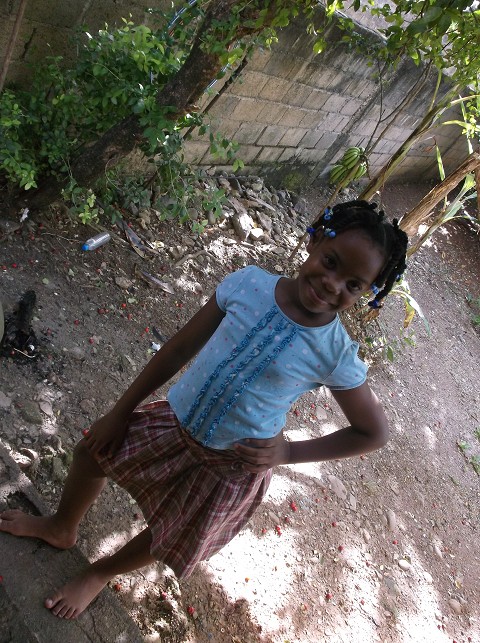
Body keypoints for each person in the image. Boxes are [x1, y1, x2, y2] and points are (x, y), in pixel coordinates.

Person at [0, 199, 408, 620]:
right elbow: (178, 349)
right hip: (175, 422)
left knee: (169, 534)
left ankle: (100, 573)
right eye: (330, 261)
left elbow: (373, 432)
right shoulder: (248, 284)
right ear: (316, 239)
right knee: (91, 454)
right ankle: (62, 527)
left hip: (231, 466)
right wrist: (121, 411)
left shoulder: (335, 353)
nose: (332, 284)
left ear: (367, 293)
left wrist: (287, 452)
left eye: (353, 285)